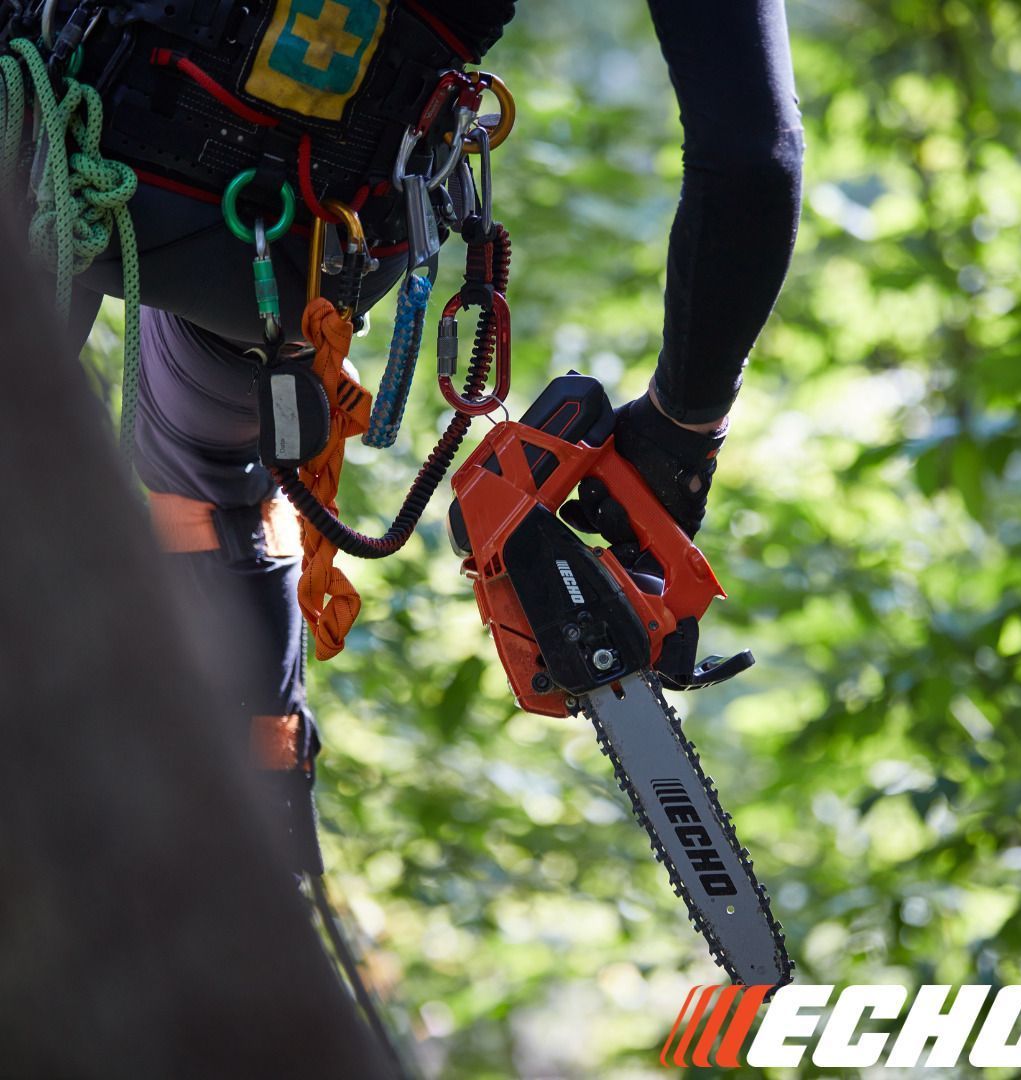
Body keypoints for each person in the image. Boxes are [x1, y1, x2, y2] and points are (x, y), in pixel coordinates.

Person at [8, 0, 803, 872]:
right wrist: (681, 436)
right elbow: (753, 162)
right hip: (293, 245)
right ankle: (261, 844)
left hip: (55, 136)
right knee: (215, 496)